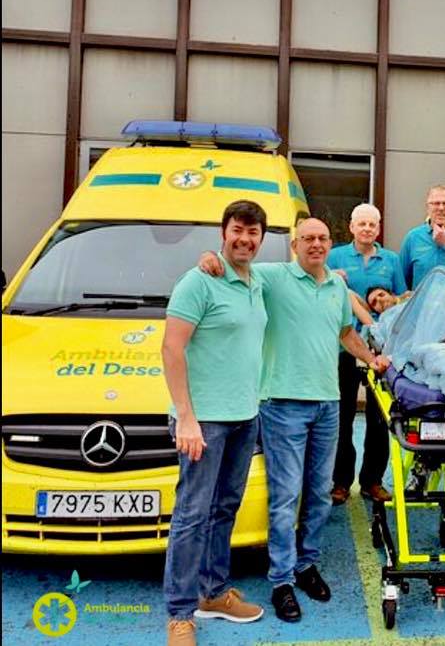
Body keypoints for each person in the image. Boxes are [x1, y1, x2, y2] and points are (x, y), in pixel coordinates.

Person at [198, 218, 389, 624]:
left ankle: (306, 565)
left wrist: (371, 359)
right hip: (282, 405)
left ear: (330, 243)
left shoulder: (336, 286)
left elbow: (345, 333)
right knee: (285, 497)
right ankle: (282, 580)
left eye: (322, 238)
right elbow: (236, 266)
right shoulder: (273, 277)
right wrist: (211, 258)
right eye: (307, 239)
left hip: (328, 404)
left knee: (319, 493)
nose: (315, 244)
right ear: (295, 245)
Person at [162, 201, 269, 646]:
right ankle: (179, 614)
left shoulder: (256, 280)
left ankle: (214, 593)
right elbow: (171, 349)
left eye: (253, 232)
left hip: (244, 416)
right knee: (192, 514)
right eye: (237, 230)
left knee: (225, 508)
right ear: (223, 232)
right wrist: (186, 418)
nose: (244, 239)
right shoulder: (198, 281)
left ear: (262, 238)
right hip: (204, 423)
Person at [327, 204, 406, 506]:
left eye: (372, 224)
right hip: (343, 348)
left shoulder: (392, 260)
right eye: (362, 224)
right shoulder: (334, 257)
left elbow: (401, 301)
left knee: (378, 418)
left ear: (379, 228)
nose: (367, 229)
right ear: (351, 227)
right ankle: (340, 482)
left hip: (380, 351)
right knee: (342, 416)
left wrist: (387, 302)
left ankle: (373, 480)